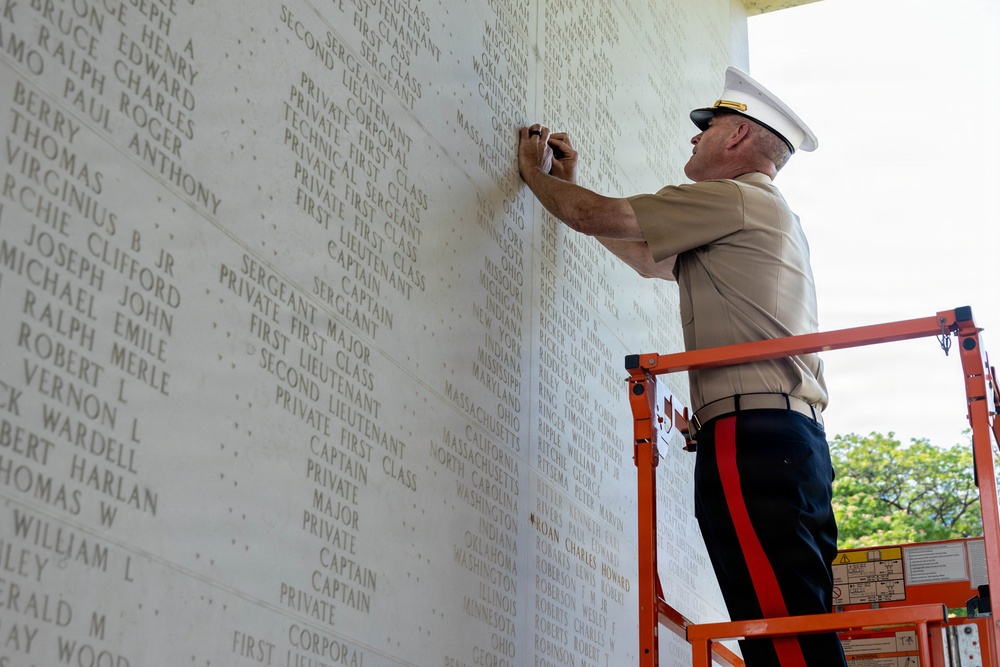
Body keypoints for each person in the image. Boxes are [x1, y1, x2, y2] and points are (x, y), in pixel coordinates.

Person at [518, 67, 847, 667]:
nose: (694, 139)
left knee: (782, 631)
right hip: (781, 438)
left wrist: (535, 179)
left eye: (708, 127)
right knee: (785, 621)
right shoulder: (758, 214)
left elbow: (600, 217)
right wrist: (569, 188)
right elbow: (646, 258)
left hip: (755, 436)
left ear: (739, 138)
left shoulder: (735, 198)